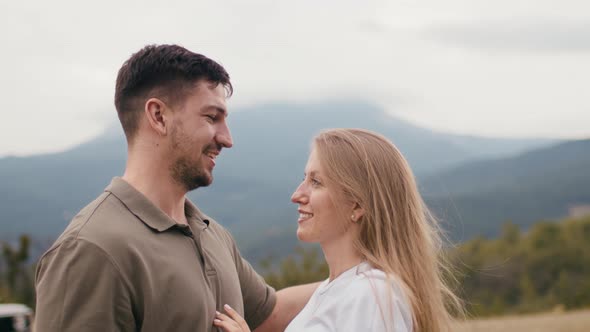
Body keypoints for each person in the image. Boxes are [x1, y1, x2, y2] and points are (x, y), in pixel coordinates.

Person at [34, 44, 317, 332]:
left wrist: (360, 275)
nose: (227, 138)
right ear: (158, 116)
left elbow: (269, 314)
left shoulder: (212, 234)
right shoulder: (92, 250)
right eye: (211, 117)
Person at [214, 128, 463, 332]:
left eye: (316, 182)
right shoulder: (336, 288)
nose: (297, 195)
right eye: (305, 179)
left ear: (357, 204)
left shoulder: (370, 293)